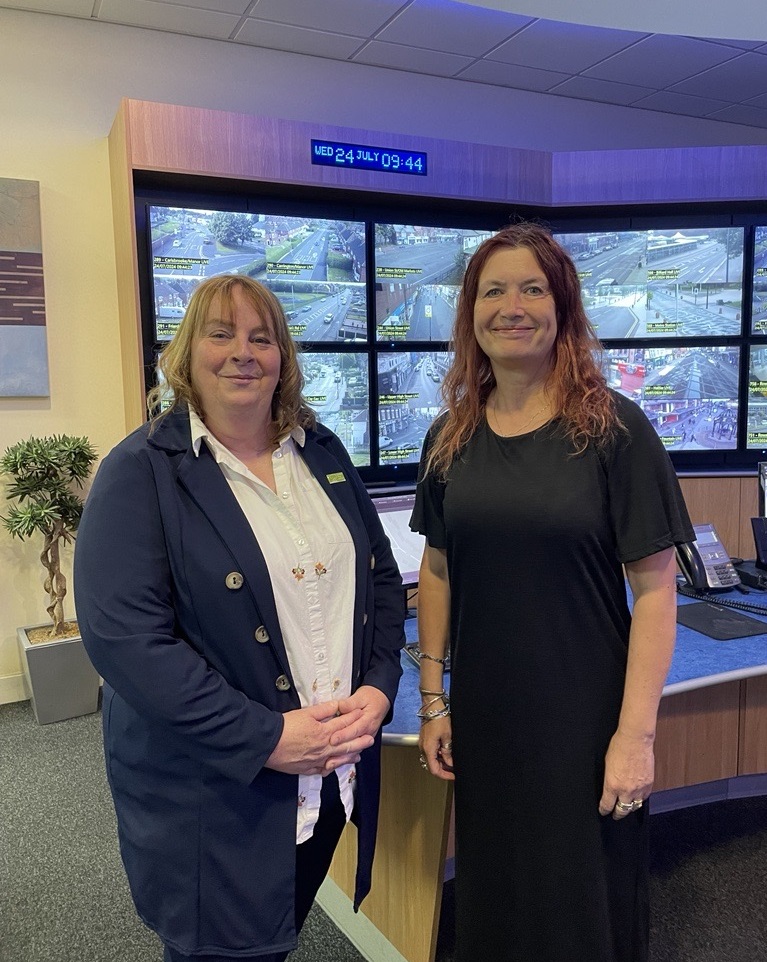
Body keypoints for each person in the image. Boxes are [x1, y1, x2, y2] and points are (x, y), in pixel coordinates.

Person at [74, 275, 405, 962]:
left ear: (283, 355)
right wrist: (263, 739)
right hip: (216, 795)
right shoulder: (139, 472)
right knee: (220, 950)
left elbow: (378, 581)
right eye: (220, 334)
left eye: (261, 337)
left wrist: (378, 688)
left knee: (273, 940)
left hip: (328, 777)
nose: (242, 353)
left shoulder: (322, 452)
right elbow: (126, 643)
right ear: (187, 351)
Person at [410, 224, 694, 962]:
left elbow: (657, 593)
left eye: (532, 288)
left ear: (562, 307)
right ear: (470, 310)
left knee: (580, 905)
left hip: (584, 721)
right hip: (489, 717)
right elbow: (437, 570)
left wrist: (634, 739)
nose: (512, 305)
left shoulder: (614, 430)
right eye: (493, 289)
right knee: (495, 893)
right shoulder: (449, 436)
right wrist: (434, 700)